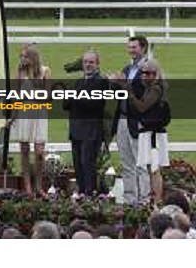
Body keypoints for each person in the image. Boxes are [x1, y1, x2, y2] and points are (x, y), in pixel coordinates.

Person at [110, 35, 151, 205]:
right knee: (127, 163)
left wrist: (123, 83)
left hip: (138, 120)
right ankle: (129, 200)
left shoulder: (149, 69)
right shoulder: (127, 69)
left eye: (134, 47)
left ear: (143, 48)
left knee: (141, 163)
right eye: (129, 47)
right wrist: (113, 83)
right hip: (122, 119)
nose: (131, 50)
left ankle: (144, 200)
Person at [6, 44, 51, 196]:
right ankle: (28, 186)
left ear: (33, 57)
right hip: (23, 113)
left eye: (25, 56)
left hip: (39, 114)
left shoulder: (45, 71)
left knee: (39, 152)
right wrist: (11, 118)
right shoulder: (19, 73)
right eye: (21, 56)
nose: (22, 59)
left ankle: (38, 185)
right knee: (24, 150)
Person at [63, 50, 108, 196]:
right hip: (76, 130)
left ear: (97, 64)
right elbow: (66, 106)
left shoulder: (101, 82)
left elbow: (95, 105)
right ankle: (82, 193)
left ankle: (90, 194)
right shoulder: (79, 82)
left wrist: (74, 96)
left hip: (91, 130)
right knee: (78, 165)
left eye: (91, 62)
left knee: (87, 164)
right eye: (85, 62)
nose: (88, 65)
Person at [126, 59, 169, 203]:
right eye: (143, 73)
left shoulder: (156, 88)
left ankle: (157, 200)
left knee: (154, 169)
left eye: (148, 73)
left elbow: (142, 107)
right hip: (149, 132)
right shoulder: (152, 88)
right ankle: (154, 199)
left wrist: (129, 92)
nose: (145, 76)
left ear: (156, 74)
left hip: (153, 134)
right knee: (151, 167)